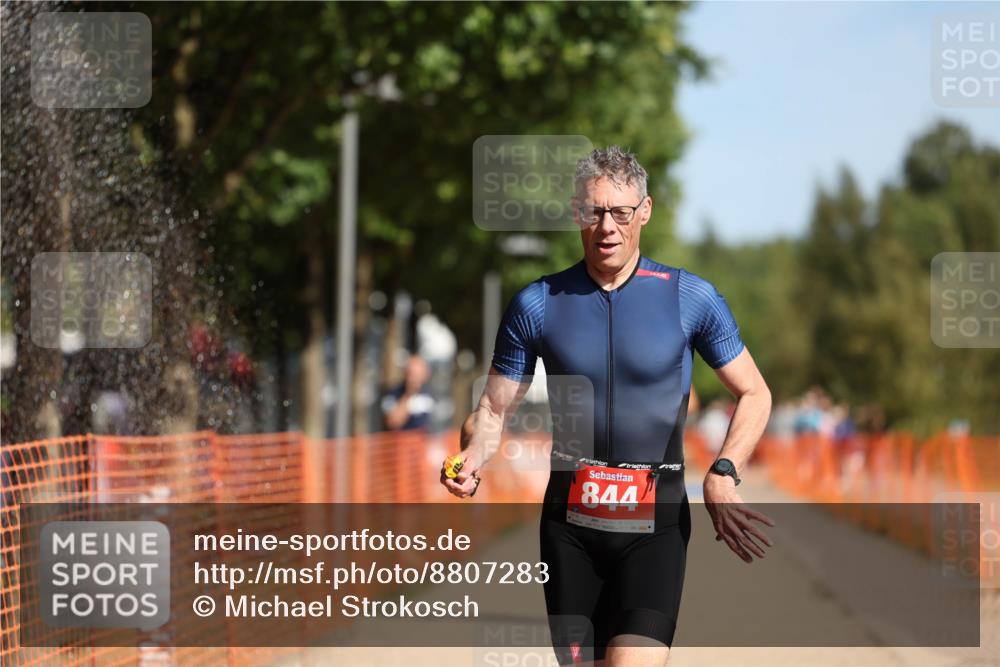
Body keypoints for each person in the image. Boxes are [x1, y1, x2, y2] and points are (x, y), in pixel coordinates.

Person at [441, 147, 774, 666]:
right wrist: (473, 456)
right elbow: (492, 411)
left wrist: (724, 472)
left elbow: (754, 392)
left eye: (621, 212)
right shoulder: (538, 303)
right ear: (576, 211)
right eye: (594, 211)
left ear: (645, 211)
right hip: (570, 533)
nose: (607, 227)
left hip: (656, 530)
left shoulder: (690, 298)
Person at [381, 354, 435, 431]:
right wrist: (409, 394)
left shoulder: (430, 394)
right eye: (411, 374)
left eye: (417, 375)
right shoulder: (393, 394)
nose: (413, 379)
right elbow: (393, 422)